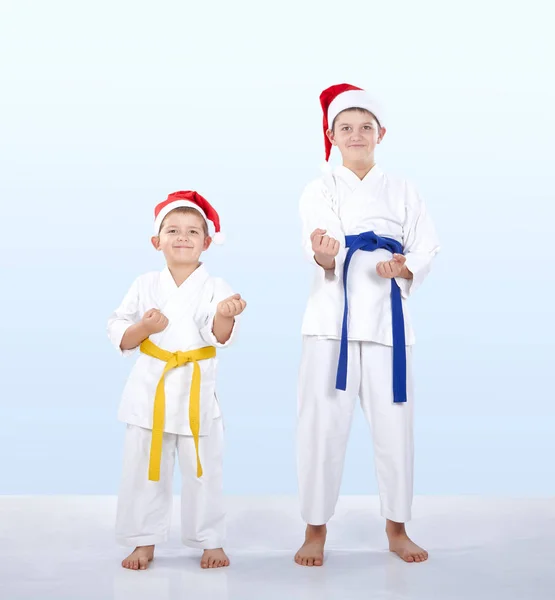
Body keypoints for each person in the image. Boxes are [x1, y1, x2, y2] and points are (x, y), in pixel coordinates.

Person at [295, 83, 440, 566]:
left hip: (388, 326)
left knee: (395, 426)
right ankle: (315, 529)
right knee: (321, 426)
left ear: (381, 133)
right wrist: (324, 253)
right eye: (345, 128)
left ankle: (397, 528)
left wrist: (405, 268)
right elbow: (319, 247)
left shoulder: (403, 188)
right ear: (332, 136)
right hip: (330, 323)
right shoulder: (320, 188)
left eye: (364, 127)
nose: (356, 135)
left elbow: (426, 245)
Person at [107, 191, 246, 570]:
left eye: (192, 231)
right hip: (149, 390)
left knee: (203, 470)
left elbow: (218, 335)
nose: (182, 237)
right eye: (173, 230)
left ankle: (209, 539)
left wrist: (226, 315)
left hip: (195, 392)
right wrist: (144, 327)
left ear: (206, 241)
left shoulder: (216, 284)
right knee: (142, 469)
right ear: (157, 241)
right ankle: (142, 540)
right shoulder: (144, 283)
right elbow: (119, 328)